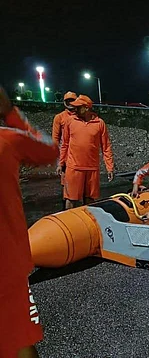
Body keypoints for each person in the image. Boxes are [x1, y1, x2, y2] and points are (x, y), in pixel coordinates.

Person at [0, 86, 59, 357]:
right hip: (6, 263)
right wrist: (10, 112)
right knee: (19, 337)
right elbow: (49, 150)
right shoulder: (8, 141)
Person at [59, 95, 114, 209]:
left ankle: (87, 224)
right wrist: (61, 163)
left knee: (90, 200)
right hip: (73, 168)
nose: (75, 109)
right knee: (71, 199)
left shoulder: (100, 123)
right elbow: (64, 144)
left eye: (78, 107)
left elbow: (106, 147)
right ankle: (69, 223)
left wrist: (110, 167)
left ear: (87, 108)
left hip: (92, 169)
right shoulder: (70, 121)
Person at [53, 91, 77, 209]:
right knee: (66, 185)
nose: (70, 103)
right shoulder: (60, 117)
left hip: (79, 157)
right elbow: (55, 139)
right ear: (64, 102)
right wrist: (59, 161)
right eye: (68, 101)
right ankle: (66, 211)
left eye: (72, 100)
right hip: (66, 156)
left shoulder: (80, 115)